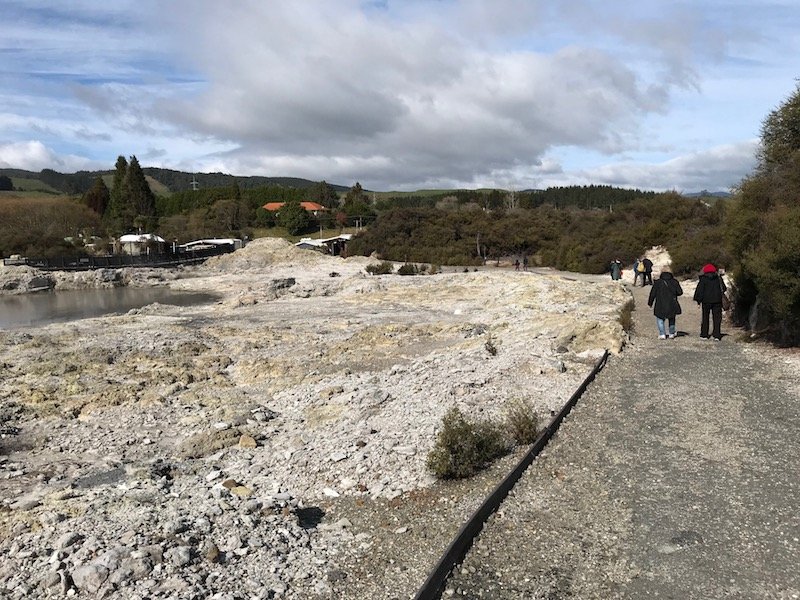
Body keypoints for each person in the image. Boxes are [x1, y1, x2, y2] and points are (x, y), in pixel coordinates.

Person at [693, 263, 727, 341]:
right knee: (717, 318)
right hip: (717, 301)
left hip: (706, 301)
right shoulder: (718, 278)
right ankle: (717, 335)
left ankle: (704, 334)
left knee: (705, 318)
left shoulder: (703, 279)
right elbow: (724, 288)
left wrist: (698, 301)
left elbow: (700, 291)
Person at [648, 270, 683, 339]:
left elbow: (652, 294)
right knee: (672, 318)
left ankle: (662, 334)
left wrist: (650, 303)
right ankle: (671, 333)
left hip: (660, 304)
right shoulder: (674, 282)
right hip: (671, 304)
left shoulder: (658, 282)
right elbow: (680, 292)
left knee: (660, 318)